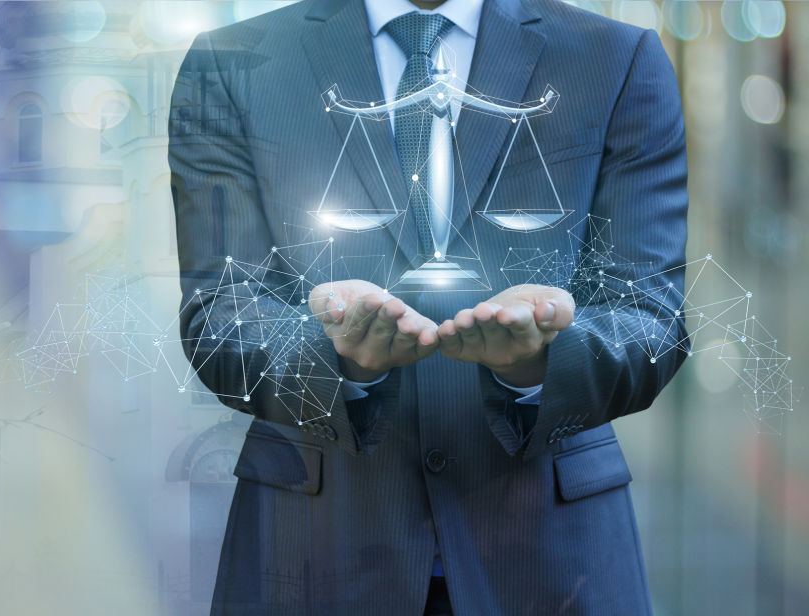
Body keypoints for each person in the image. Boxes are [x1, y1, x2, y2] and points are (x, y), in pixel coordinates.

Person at [168, 0, 688, 613]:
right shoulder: (230, 66)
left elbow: (650, 317)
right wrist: (342, 361)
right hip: (314, 552)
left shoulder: (617, 60)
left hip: (550, 558)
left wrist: (536, 363)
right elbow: (219, 319)